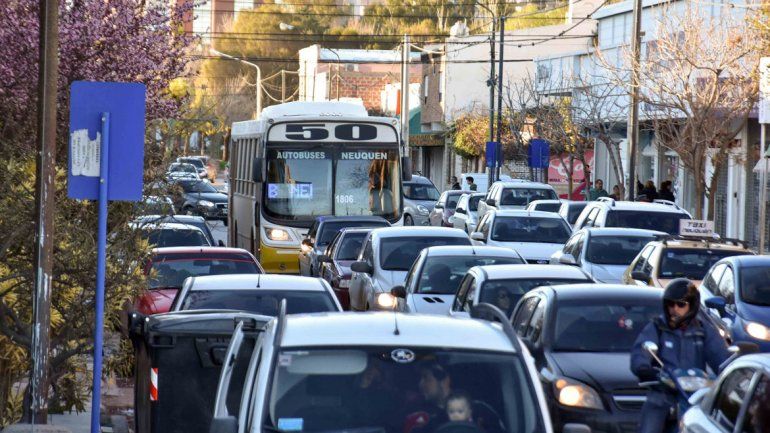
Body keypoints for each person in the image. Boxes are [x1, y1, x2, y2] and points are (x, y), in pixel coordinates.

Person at [630, 279, 731, 433]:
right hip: (663, 392)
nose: (674, 309)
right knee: (650, 425)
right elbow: (642, 351)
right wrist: (645, 367)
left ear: (692, 305)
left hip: (695, 397)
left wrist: (729, 377)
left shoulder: (703, 331)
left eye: (681, 304)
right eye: (670, 304)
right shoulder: (658, 327)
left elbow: (721, 359)